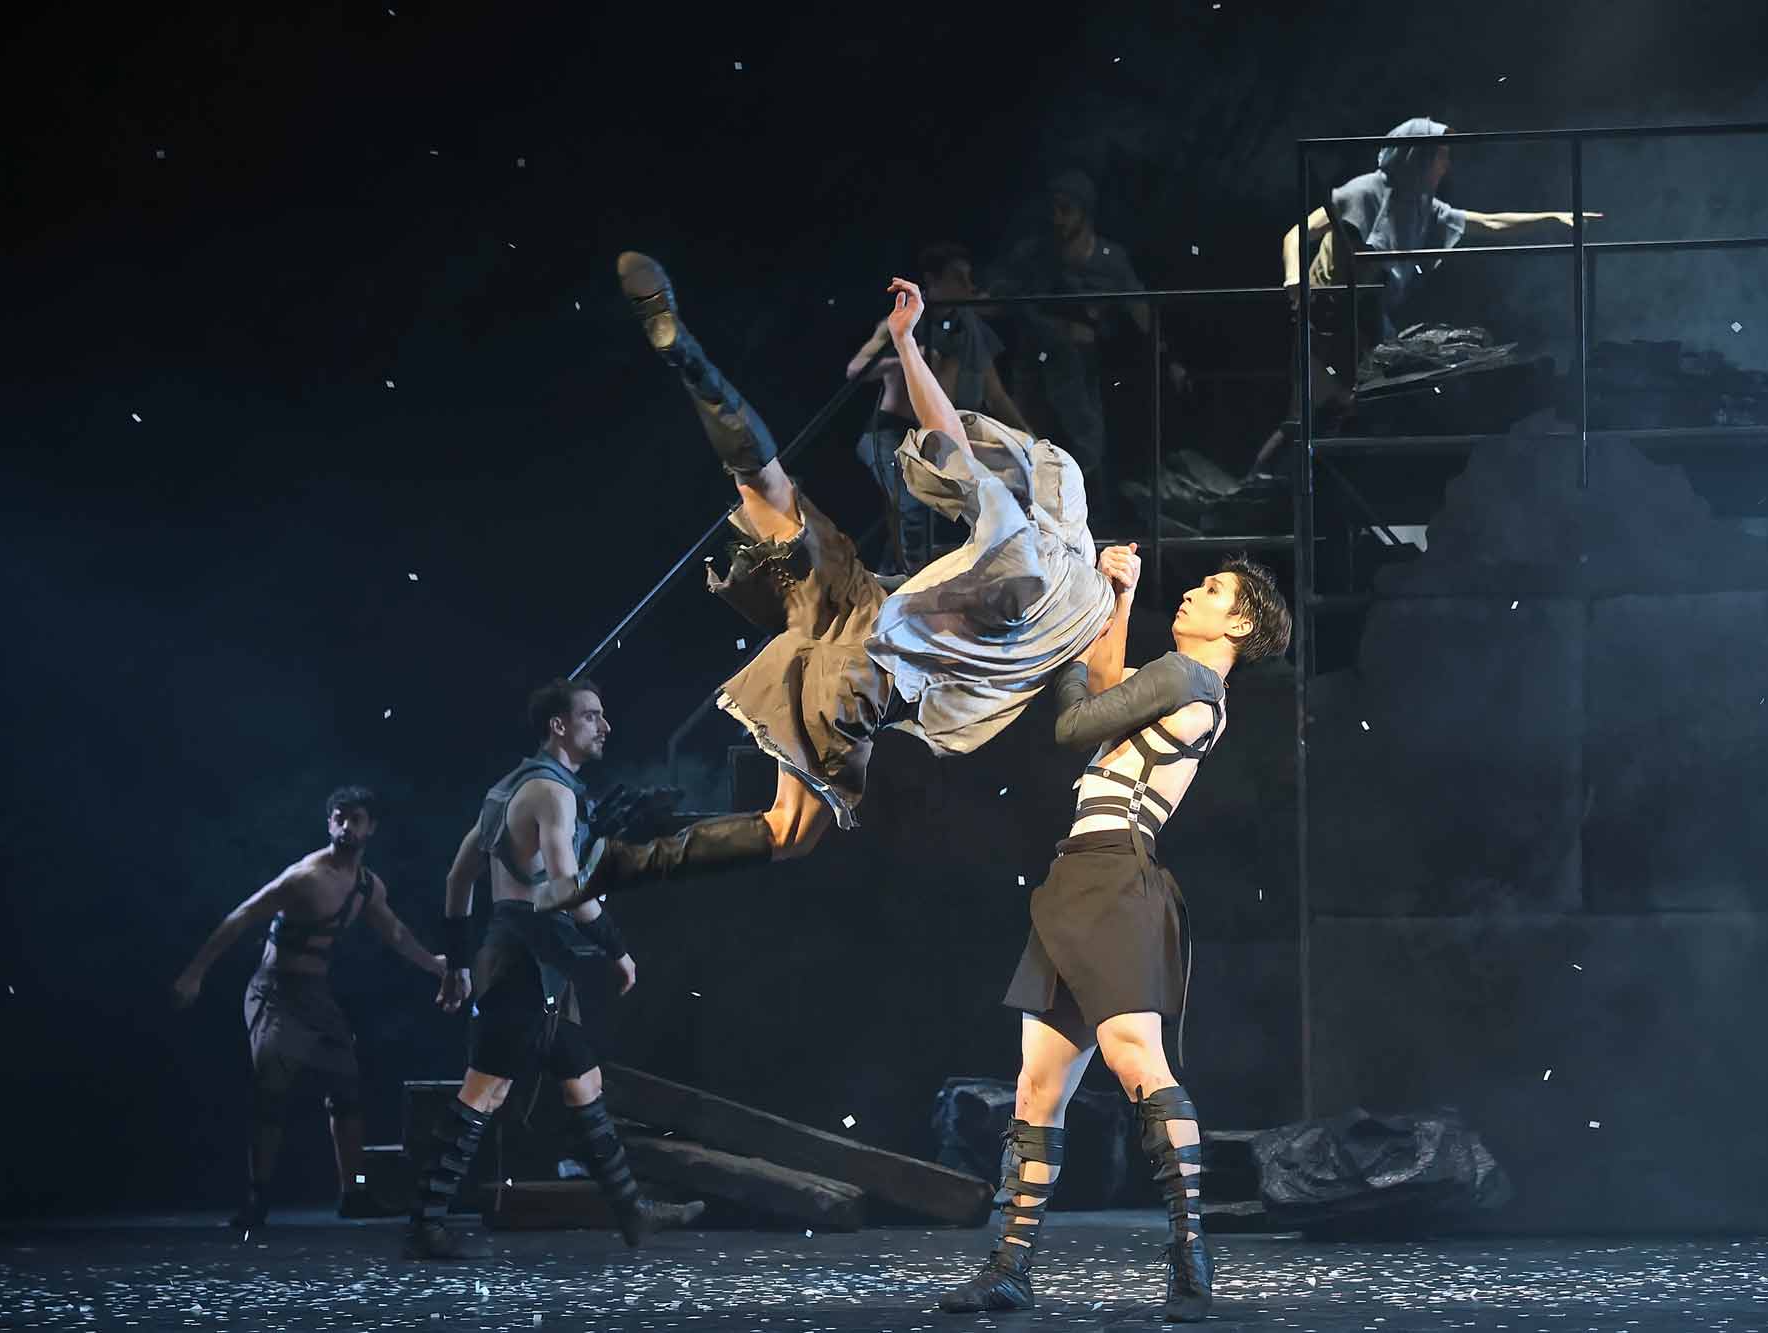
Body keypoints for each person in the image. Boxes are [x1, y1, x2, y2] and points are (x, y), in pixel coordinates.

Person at [535, 260, 1114, 907]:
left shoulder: (1027, 529)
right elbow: (1093, 691)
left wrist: (905, 341)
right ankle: (616, 867)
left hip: (854, 598)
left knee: (765, 484)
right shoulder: (1073, 590)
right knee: (789, 832)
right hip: (864, 672)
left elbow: (948, 436)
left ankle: (690, 360)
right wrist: (1122, 592)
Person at [938, 552, 1291, 1323]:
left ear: (1238, 623)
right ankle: (1009, 1268)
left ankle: (1191, 1260)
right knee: (1038, 1086)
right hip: (1080, 878)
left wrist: (1069, 642)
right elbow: (1106, 689)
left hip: (1112, 879)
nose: (1192, 591)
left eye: (1212, 590)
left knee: (1137, 1060)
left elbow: (1075, 721)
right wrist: (1118, 599)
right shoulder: (1187, 686)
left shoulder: (1185, 676)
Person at [403, 679, 704, 1259]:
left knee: (583, 1081)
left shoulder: (509, 789)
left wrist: (458, 964)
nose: (605, 727)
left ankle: (633, 1213)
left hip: (533, 957)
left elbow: (458, 879)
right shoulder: (551, 793)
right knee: (486, 1090)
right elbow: (565, 887)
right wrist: (617, 948)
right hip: (523, 961)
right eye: (592, 716)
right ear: (558, 726)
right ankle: (423, 1222)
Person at [1256, 116, 1601, 467]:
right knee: (1312, 410)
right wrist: (1295, 280)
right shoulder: (1363, 192)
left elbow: (1488, 222)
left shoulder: (1424, 207)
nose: (1446, 164)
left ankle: (1314, 483)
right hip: (1324, 315)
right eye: (1440, 154)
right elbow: (1297, 234)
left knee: (1350, 407)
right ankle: (1262, 482)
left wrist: (1551, 218)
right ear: (1415, 156)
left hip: (1366, 321)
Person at [173, 786, 445, 1230]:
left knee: (348, 1092)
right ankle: (257, 1198)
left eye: (355, 819)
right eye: (339, 817)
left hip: (315, 995)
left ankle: (355, 1190)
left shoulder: (367, 887)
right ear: (329, 823)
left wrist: (434, 965)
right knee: (271, 1091)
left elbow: (395, 934)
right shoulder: (305, 878)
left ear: (371, 827)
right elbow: (242, 917)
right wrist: (194, 972)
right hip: (274, 992)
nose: (346, 826)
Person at [986, 169, 1188, 516]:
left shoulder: (1109, 260)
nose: (1057, 218)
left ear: (1085, 212)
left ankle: (1089, 519)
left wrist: (1169, 358)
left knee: (1088, 446)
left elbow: (1141, 310)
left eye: (1066, 209)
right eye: (1053, 209)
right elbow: (1007, 297)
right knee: (1028, 443)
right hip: (1035, 363)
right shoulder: (1034, 255)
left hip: (1082, 369)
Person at [846, 243, 1031, 575]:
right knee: (911, 508)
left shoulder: (970, 331)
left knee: (937, 507)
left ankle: (898, 574)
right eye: (958, 278)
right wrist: (904, 357)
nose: (968, 286)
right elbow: (855, 369)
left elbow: (996, 395)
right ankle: (905, 579)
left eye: (969, 278)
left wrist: (1029, 438)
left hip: (937, 437)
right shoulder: (902, 324)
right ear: (933, 281)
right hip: (890, 433)